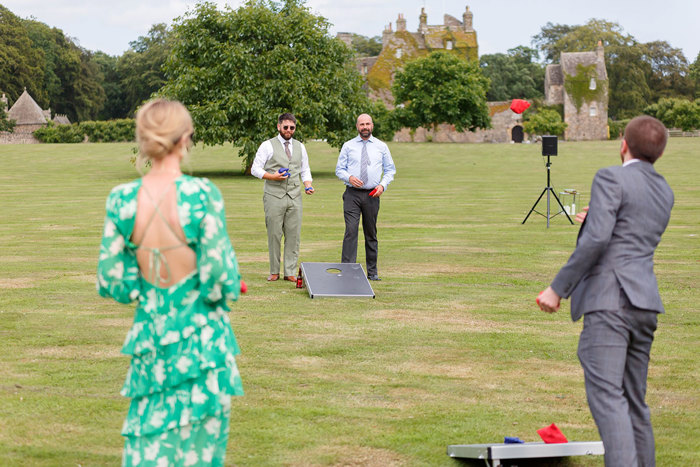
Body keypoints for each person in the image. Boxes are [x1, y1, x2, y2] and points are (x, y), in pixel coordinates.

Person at [97, 99, 244, 466]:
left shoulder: (122, 199)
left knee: (150, 451)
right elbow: (220, 280)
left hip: (151, 346)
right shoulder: (201, 195)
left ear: (144, 140)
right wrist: (225, 288)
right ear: (185, 139)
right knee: (199, 455)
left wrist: (144, 289)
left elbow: (113, 279)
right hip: (204, 345)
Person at [538, 115, 674, 467]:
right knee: (634, 401)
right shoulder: (664, 191)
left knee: (609, 398)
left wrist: (557, 288)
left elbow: (600, 239)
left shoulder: (611, 176)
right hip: (644, 303)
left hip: (610, 301)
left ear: (623, 144)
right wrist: (597, 215)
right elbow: (628, 232)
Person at [251, 113, 314, 282]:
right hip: (273, 195)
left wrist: (308, 185)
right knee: (274, 234)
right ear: (278, 127)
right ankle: (273, 271)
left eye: (292, 127)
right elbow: (255, 169)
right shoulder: (267, 145)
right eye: (285, 127)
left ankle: (290, 272)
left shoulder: (300, 146)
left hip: (294, 195)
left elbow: (305, 169)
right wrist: (272, 177)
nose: (288, 130)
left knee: (294, 235)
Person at [335, 113, 396, 281]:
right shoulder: (348, 146)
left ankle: (372, 272)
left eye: (367, 124)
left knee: (371, 233)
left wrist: (382, 185)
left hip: (372, 194)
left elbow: (390, 170)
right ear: (357, 127)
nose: (365, 127)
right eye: (362, 124)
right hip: (352, 195)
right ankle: (347, 270)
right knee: (351, 231)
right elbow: (339, 169)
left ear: (372, 126)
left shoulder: (381, 146)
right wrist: (349, 178)